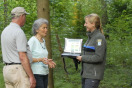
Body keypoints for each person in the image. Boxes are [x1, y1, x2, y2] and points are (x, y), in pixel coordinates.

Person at [1, 7, 36, 88]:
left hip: (7, 70)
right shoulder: (18, 32)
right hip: (18, 71)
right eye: (25, 16)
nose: (25, 19)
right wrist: (31, 76)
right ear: (22, 16)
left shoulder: (5, 31)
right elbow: (22, 56)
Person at [76, 13, 107, 88]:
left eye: (86, 23)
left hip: (93, 75)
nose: (84, 25)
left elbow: (99, 57)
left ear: (93, 24)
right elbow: (88, 54)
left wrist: (82, 58)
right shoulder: (90, 37)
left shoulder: (99, 38)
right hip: (86, 74)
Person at [28, 18, 56, 88]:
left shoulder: (43, 41)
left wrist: (47, 61)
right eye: (43, 28)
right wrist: (40, 59)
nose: (46, 30)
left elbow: (42, 57)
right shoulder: (32, 40)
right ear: (36, 29)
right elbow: (27, 58)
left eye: (46, 28)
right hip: (36, 74)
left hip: (45, 73)